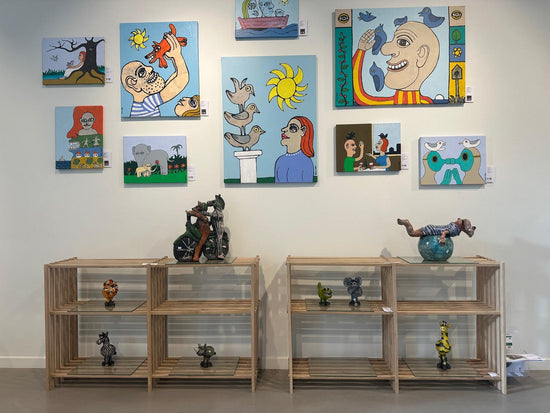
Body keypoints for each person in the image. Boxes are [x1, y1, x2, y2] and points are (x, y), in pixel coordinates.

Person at [353, 21, 440, 105]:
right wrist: (361, 50)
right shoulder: (426, 102)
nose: (384, 50)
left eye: (402, 42)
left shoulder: (426, 103)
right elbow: (360, 96)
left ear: (422, 54)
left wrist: (361, 51)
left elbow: (361, 97)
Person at [121, 31, 189, 117]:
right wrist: (177, 55)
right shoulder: (147, 103)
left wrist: (172, 58)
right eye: (142, 71)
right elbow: (181, 80)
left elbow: (175, 78)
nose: (150, 68)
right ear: (132, 83)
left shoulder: (140, 104)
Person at [274, 116, 315, 183]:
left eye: (292, 128)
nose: (284, 129)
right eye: (287, 127)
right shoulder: (280, 161)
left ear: (303, 131)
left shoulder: (306, 162)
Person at [397, 218, 476, 245]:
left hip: (432, 227)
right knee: (412, 233)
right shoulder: (455, 229)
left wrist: (470, 230)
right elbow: (444, 232)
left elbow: (459, 220)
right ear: (462, 227)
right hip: (432, 231)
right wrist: (442, 239)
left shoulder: (454, 224)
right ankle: (407, 223)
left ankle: (406, 223)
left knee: (413, 232)